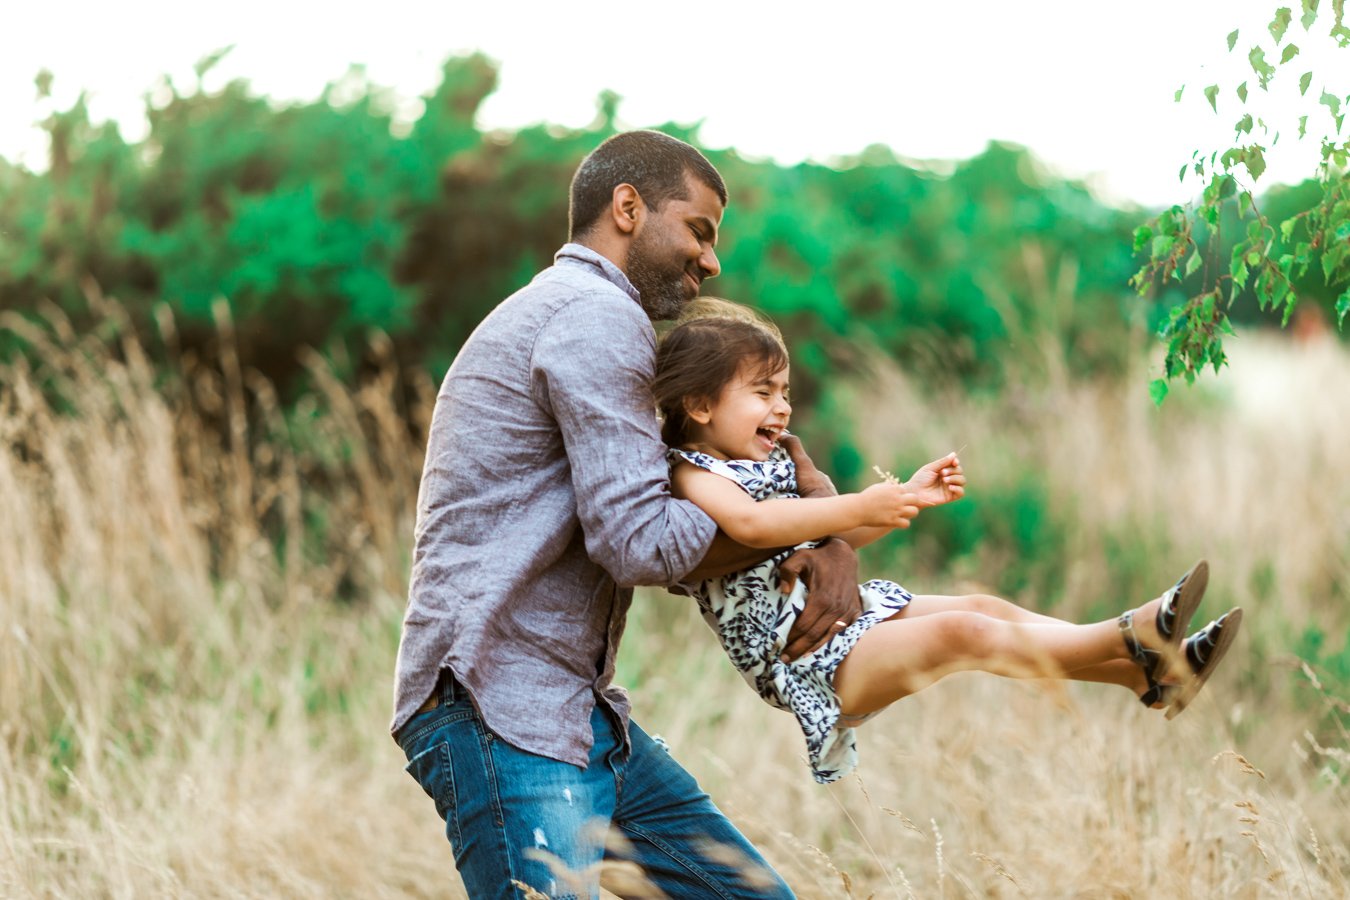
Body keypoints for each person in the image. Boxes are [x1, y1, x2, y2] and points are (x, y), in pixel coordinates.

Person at [391, 131, 862, 899]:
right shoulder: (596, 318)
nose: (711, 261)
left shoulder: (570, 313)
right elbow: (642, 542)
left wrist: (819, 524)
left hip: (572, 712)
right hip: (499, 705)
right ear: (628, 207)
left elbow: (669, 506)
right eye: (699, 231)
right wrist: (806, 524)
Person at [654, 299, 1245, 783]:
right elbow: (753, 529)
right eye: (763, 392)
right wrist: (858, 503)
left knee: (983, 608)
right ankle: (1134, 631)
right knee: (964, 636)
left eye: (785, 391)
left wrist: (905, 499)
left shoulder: (772, 462)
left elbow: (834, 537)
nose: (782, 408)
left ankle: (1146, 675)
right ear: (700, 404)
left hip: (855, 619)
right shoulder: (694, 473)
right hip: (808, 664)